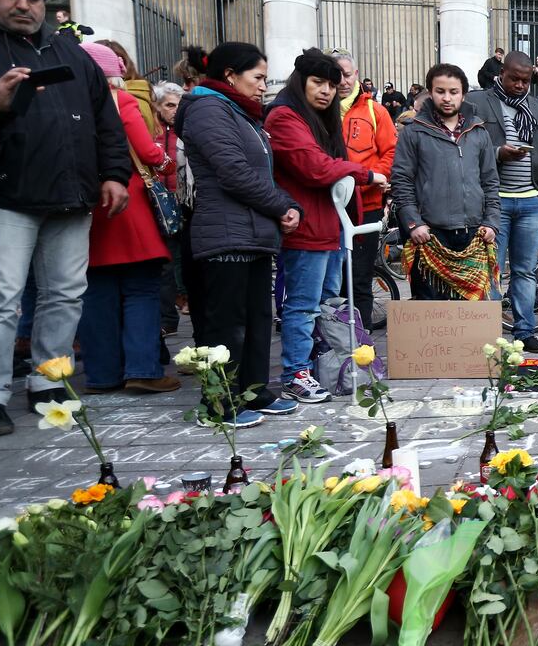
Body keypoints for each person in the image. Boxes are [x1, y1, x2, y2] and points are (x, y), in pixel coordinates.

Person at [0, 0, 130, 437]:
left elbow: (106, 118)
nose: (24, 4)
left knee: (66, 293)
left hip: (71, 191)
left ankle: (49, 381)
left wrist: (115, 173)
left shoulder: (67, 49)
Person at [174, 42, 302, 426]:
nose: (263, 86)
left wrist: (286, 204)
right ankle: (219, 404)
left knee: (258, 318)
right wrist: (280, 206)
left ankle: (254, 391)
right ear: (230, 75)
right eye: (258, 78)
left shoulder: (241, 112)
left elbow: (262, 174)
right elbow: (233, 172)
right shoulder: (208, 109)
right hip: (224, 233)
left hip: (254, 232)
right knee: (226, 323)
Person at [265, 48, 383, 403]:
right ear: (301, 81)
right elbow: (315, 167)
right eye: (318, 82)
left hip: (331, 227)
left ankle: (323, 367)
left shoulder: (320, 119)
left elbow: (330, 163)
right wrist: (365, 173)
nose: (326, 91)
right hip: (306, 230)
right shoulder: (284, 117)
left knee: (329, 306)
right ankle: (295, 374)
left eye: (332, 84)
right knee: (303, 307)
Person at [76, 41, 180, 395]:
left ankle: (102, 374)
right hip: (127, 203)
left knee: (97, 290)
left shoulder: (70, 103)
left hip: (88, 205)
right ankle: (143, 369)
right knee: (141, 288)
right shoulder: (120, 100)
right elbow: (147, 151)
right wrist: (168, 163)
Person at [463, 50, 538, 351]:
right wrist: (498, 153)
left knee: (525, 271)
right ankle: (490, 334)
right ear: (501, 73)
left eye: (525, 80)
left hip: (531, 202)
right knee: (491, 271)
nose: (519, 85)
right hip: (495, 203)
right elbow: (468, 147)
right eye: (514, 79)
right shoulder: (477, 103)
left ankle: (525, 332)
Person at [389, 63, 500, 301]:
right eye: (440, 91)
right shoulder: (413, 132)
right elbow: (401, 180)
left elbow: (490, 181)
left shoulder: (479, 132)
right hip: (428, 234)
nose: (447, 98)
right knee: (430, 311)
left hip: (473, 234)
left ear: (463, 94)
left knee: (471, 313)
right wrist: (413, 223)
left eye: (453, 92)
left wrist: (491, 222)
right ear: (431, 92)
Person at [332, 52, 398, 331]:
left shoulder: (376, 111)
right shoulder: (318, 109)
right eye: (337, 76)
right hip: (327, 207)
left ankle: (362, 337)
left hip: (366, 205)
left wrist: (371, 178)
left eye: (347, 75)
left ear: (356, 74)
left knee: (360, 275)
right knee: (332, 279)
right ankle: (334, 338)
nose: (343, 81)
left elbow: (391, 152)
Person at [152, 81, 189, 336]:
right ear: (158, 106)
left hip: (183, 202)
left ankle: (184, 298)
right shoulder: (151, 130)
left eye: (179, 105)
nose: (175, 110)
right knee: (165, 262)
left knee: (183, 258)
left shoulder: (186, 129)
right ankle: (168, 318)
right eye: (169, 105)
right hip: (159, 204)